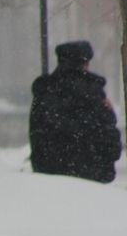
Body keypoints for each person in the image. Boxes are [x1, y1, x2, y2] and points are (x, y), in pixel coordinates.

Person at [29, 40, 122, 183]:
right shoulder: (93, 93)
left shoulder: (45, 92)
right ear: (85, 62)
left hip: (49, 179)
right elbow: (111, 142)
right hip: (92, 178)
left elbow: (37, 135)